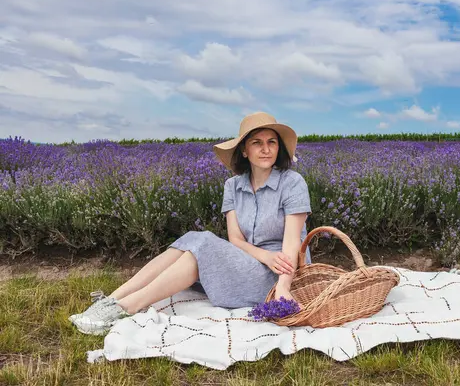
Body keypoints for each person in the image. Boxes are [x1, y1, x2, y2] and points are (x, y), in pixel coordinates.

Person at [69, 112, 312, 335]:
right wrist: (263, 256)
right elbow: (236, 240)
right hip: (252, 261)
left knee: (203, 244)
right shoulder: (233, 186)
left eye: (272, 142)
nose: (266, 149)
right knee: (194, 238)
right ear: (245, 151)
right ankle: (111, 300)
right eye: (257, 142)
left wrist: (283, 290)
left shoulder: (292, 183)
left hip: (281, 273)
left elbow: (292, 243)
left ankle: (126, 307)